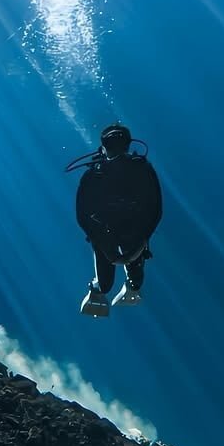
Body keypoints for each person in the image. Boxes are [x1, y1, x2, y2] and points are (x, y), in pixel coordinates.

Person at [66, 123, 162, 317]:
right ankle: (102, 288)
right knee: (108, 283)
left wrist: (141, 240)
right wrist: (103, 243)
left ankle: (112, 287)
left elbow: (155, 209)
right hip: (108, 233)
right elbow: (83, 215)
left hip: (131, 232)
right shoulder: (96, 175)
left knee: (129, 277)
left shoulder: (139, 171)